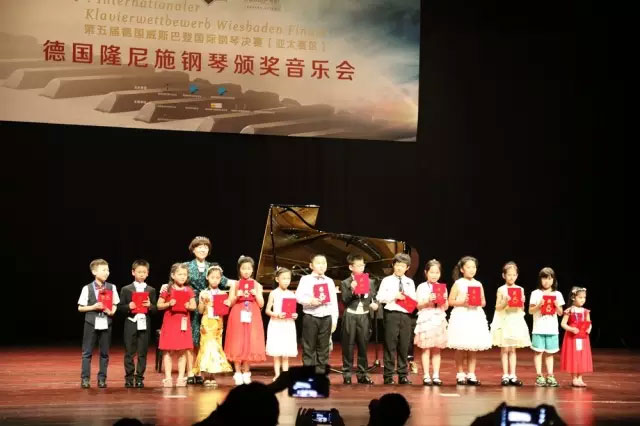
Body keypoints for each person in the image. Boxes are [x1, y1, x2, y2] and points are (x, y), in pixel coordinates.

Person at [446, 256, 491, 385]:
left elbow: (483, 302)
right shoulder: (458, 283)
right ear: (462, 269)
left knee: (472, 347)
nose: (472, 269)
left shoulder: (478, 284)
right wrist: (463, 302)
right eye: (468, 267)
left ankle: (471, 374)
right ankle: (460, 374)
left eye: (474, 267)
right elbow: (450, 301)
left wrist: (478, 302)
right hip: (461, 316)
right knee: (461, 346)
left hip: (475, 316)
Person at [224, 255, 266, 385]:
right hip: (238, 313)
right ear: (239, 270)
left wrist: (256, 294)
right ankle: (237, 372)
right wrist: (237, 296)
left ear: (252, 270)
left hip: (252, 313)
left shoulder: (257, 285)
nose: (246, 271)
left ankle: (247, 372)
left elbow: (261, 304)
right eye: (243, 268)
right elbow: (230, 303)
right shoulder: (235, 284)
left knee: (250, 341)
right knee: (237, 341)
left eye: (249, 268)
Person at [77, 258, 119, 388]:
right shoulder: (87, 288)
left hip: (106, 322)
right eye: (103, 270)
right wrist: (93, 307)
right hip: (91, 322)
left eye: (108, 270)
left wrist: (112, 311)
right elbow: (80, 308)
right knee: (87, 352)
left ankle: (102, 379)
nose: (107, 272)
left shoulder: (112, 287)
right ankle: (85, 379)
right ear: (94, 272)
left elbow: (115, 304)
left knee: (104, 353)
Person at [376, 253, 417, 385]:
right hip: (391, 314)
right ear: (393, 265)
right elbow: (380, 297)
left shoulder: (410, 282)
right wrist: (394, 296)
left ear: (407, 267)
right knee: (390, 345)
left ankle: (403, 375)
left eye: (402, 266)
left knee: (404, 346)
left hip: (406, 316)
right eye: (397, 265)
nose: (399, 268)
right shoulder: (386, 280)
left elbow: (414, 299)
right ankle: (388, 376)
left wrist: (410, 301)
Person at [296, 254, 339, 374]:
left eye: (324, 263)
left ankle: (320, 375)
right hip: (311, 316)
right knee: (309, 348)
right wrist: (310, 301)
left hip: (326, 317)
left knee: (324, 349)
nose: (321, 266)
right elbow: (298, 297)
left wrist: (334, 320)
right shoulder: (305, 279)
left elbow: (334, 302)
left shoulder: (329, 281)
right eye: (318, 263)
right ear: (311, 265)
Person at [490, 261, 531, 386]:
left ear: (517, 276)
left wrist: (522, 302)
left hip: (515, 320)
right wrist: (505, 302)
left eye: (514, 275)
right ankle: (505, 375)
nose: (511, 277)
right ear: (504, 275)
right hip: (504, 319)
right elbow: (497, 307)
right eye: (509, 275)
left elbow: (522, 309)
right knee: (505, 348)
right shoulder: (501, 289)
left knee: (513, 349)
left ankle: (513, 375)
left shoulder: (520, 289)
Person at [340, 253, 378, 384]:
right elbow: (345, 301)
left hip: (364, 316)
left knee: (363, 346)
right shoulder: (345, 282)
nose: (361, 268)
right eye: (358, 265)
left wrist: (375, 304)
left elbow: (374, 298)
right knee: (348, 346)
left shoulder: (370, 282)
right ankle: (347, 374)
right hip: (351, 315)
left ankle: (362, 374)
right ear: (351, 267)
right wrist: (352, 290)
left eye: (363, 265)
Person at [118, 259, 157, 388]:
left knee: (142, 352)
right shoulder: (126, 289)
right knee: (129, 352)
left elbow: (156, 309)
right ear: (133, 272)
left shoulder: (151, 290)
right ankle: (129, 377)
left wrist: (150, 306)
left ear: (147, 273)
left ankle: (139, 377)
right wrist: (128, 306)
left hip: (145, 322)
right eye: (139, 272)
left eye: (144, 272)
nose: (141, 274)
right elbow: (119, 307)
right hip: (131, 322)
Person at [157, 263, 197, 387]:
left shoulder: (188, 289)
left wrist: (188, 306)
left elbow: (194, 306)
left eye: (185, 274)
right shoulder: (167, 289)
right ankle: (168, 378)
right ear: (173, 275)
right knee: (167, 351)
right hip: (170, 322)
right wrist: (169, 303)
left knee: (182, 351)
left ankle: (180, 378)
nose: (182, 277)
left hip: (183, 322)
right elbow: (159, 305)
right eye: (179, 274)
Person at [195, 264, 233, 387]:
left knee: (216, 348)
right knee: (206, 348)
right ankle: (206, 376)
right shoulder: (204, 292)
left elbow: (224, 312)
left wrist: (226, 304)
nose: (215, 280)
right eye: (212, 277)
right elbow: (200, 311)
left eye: (217, 278)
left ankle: (213, 375)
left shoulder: (222, 293)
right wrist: (203, 302)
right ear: (207, 277)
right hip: (207, 323)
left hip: (218, 323)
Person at [414, 259, 448, 386]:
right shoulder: (422, 287)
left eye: (437, 272)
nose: (434, 275)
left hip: (438, 318)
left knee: (437, 349)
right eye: (432, 272)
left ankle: (436, 375)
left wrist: (444, 300)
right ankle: (426, 375)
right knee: (426, 348)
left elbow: (446, 307)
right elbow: (417, 305)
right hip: (426, 318)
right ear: (426, 272)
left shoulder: (442, 287)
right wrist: (428, 301)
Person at [529, 267, 565, 387]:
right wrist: (539, 305)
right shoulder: (535, 293)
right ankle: (539, 375)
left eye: (549, 278)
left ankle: (550, 375)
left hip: (552, 329)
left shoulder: (557, 294)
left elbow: (560, 313)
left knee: (550, 353)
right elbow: (530, 311)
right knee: (538, 352)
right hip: (538, 328)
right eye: (544, 278)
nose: (546, 281)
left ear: (553, 280)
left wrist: (557, 305)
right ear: (540, 279)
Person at [265, 267, 298, 380]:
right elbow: (267, 310)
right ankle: (277, 375)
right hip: (277, 324)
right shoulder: (273, 293)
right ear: (277, 279)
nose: (286, 281)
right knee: (277, 351)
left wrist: (295, 315)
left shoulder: (292, 294)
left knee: (285, 352)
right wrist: (277, 314)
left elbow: (293, 311)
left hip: (288, 324)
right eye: (283, 278)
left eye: (288, 278)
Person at [560, 286, 593, 387]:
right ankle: (574, 378)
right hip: (572, 337)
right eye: (580, 297)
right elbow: (563, 324)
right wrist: (571, 329)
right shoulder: (569, 311)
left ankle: (580, 377)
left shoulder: (585, 311)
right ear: (573, 297)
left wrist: (589, 328)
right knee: (574, 356)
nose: (583, 300)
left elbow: (589, 322)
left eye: (584, 298)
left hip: (583, 337)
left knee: (582, 356)